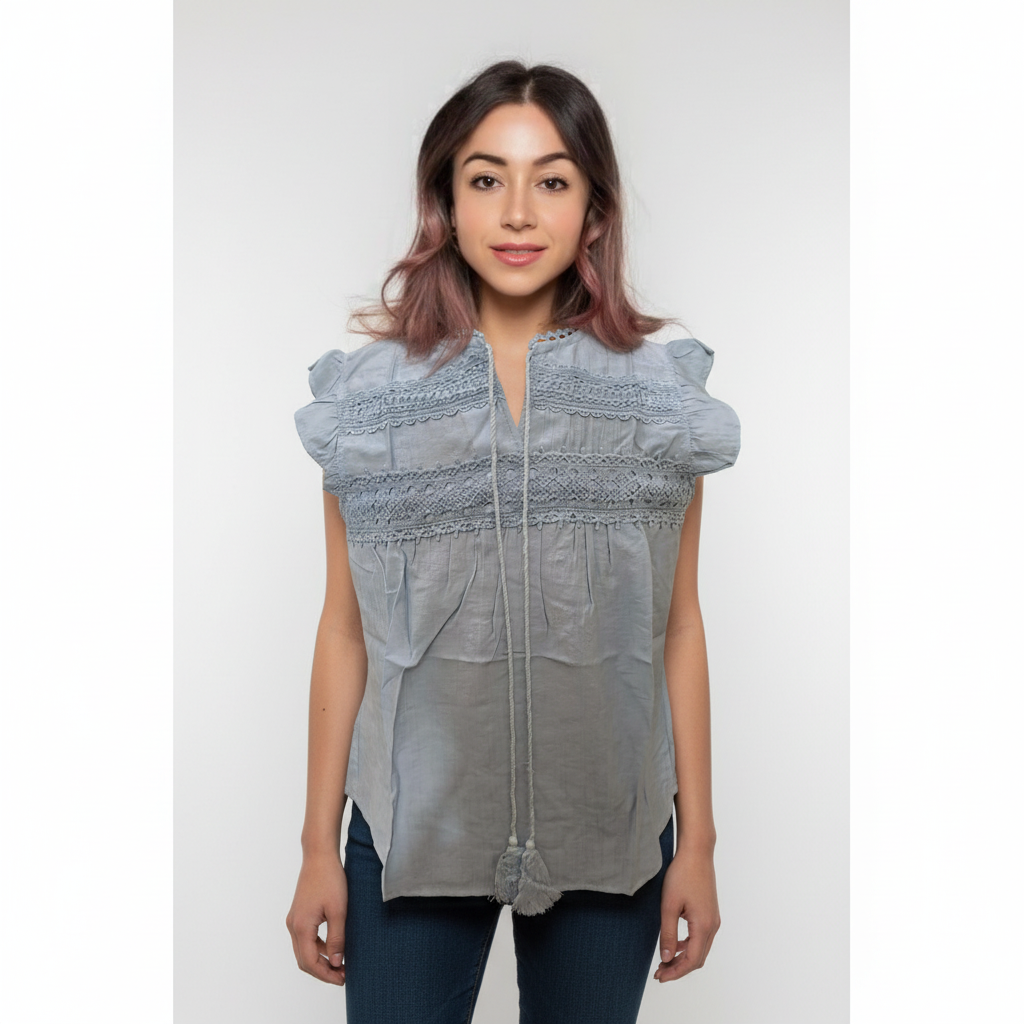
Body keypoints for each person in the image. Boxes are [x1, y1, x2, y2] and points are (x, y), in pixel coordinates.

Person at [286, 59, 740, 1024]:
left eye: (554, 181)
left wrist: (697, 843)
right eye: (487, 178)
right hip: (410, 835)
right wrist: (318, 847)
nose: (520, 212)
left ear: (594, 213)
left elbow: (679, 628)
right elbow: (344, 631)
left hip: (611, 833)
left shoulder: (658, 402)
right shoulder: (372, 405)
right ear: (447, 204)